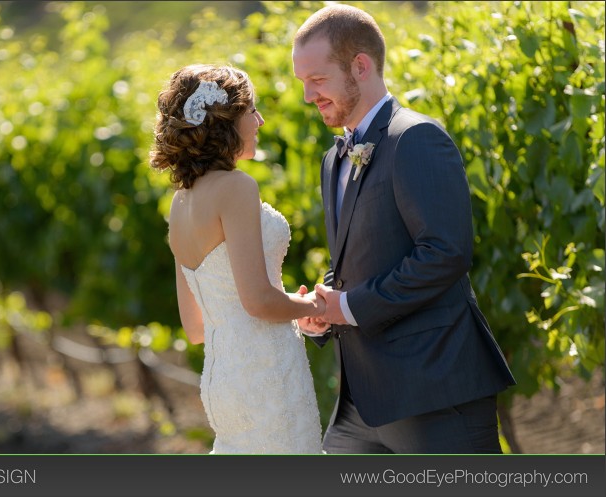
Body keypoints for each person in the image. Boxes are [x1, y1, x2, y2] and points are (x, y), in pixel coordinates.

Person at [291, 4, 516, 453]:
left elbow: (444, 253)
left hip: (433, 392)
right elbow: (359, 260)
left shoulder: (416, 138)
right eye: (303, 83)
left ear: (361, 66)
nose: (307, 95)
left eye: (317, 80)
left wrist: (349, 306)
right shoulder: (334, 158)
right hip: (360, 403)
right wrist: (323, 306)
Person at [149, 64, 325, 454]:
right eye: (251, 111)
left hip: (222, 381)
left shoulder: (180, 203)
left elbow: (195, 327)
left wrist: (293, 310)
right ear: (224, 121)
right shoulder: (236, 187)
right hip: (267, 374)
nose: (260, 121)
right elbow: (259, 301)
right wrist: (314, 303)